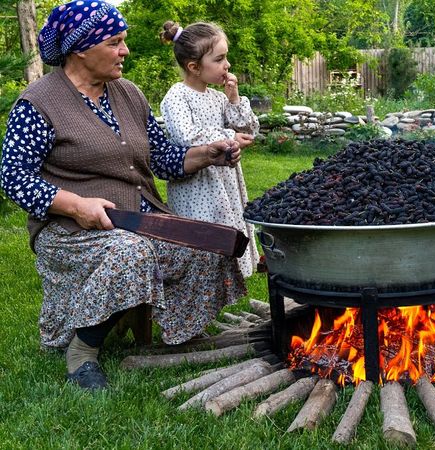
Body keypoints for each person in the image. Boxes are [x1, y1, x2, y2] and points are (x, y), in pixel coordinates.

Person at [0, 1, 246, 390]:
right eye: (116, 42)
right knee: (130, 253)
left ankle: (177, 330)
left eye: (124, 41)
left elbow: (164, 159)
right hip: (70, 231)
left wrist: (208, 153)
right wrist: (76, 205)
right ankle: (83, 350)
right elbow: (13, 176)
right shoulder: (39, 102)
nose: (125, 51)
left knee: (210, 241)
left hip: (141, 220)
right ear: (82, 48)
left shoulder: (128, 93)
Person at [159, 21, 260, 277]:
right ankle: (200, 290)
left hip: (224, 181)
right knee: (204, 236)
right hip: (197, 183)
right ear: (194, 67)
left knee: (227, 231)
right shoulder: (177, 96)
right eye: (219, 59)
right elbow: (187, 137)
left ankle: (225, 288)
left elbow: (247, 128)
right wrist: (229, 136)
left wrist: (234, 98)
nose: (227, 65)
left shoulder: (218, 98)